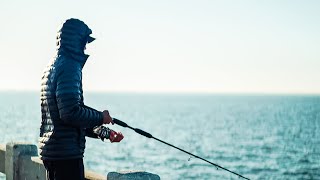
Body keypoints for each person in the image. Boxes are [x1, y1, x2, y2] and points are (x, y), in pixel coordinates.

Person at [39, 18, 124, 180]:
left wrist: (104, 132)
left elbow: (68, 119)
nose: (85, 47)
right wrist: (101, 117)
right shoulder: (70, 67)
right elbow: (70, 113)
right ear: (75, 41)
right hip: (66, 157)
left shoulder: (52, 66)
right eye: (84, 42)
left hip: (54, 154)